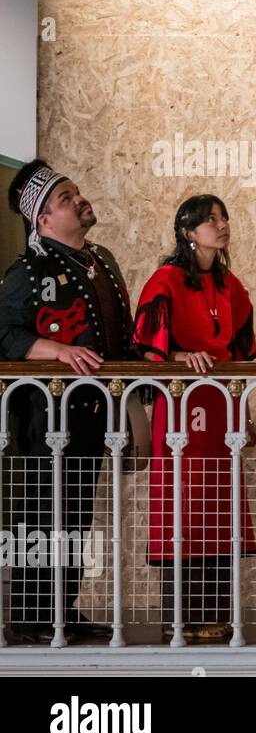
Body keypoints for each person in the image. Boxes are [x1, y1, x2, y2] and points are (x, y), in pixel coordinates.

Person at [0, 159, 133, 645]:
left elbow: (123, 337)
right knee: (40, 512)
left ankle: (63, 609)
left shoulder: (103, 261)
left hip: (94, 414)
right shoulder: (28, 270)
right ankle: (31, 616)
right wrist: (57, 350)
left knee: (75, 512)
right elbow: (3, 334)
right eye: (64, 198)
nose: (78, 199)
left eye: (76, 192)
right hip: (44, 417)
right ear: (43, 220)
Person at [133, 195, 256, 642]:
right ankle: (178, 617)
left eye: (223, 217)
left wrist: (244, 413)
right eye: (209, 220)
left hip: (223, 406)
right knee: (181, 507)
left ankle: (214, 615)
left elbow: (241, 357)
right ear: (188, 231)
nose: (221, 225)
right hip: (181, 405)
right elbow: (148, 350)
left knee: (219, 508)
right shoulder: (164, 281)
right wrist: (181, 355)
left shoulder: (231, 285)